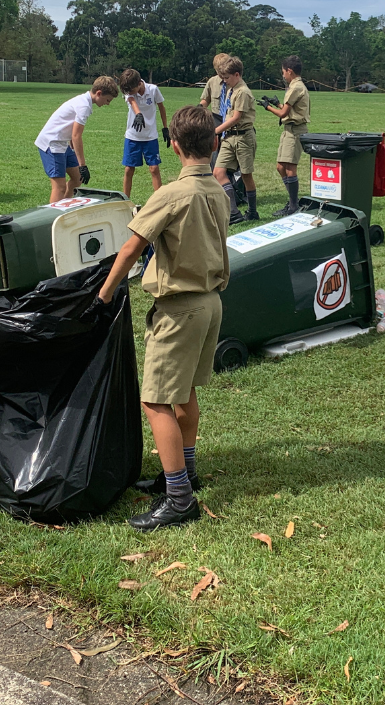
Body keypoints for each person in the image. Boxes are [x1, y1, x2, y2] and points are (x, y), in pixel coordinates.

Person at [90, 106, 230, 530]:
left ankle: (179, 498)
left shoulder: (170, 194)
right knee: (184, 393)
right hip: (210, 303)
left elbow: (131, 247)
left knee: (155, 400)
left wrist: (104, 294)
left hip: (180, 309)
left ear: (173, 145)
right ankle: (186, 472)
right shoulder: (219, 190)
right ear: (215, 143)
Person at [34, 76, 119, 202]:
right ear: (99, 93)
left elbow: (70, 126)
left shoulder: (84, 101)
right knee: (59, 187)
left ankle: (65, 206)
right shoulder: (84, 106)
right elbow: (76, 136)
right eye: (107, 100)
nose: (107, 103)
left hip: (62, 143)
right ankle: (55, 213)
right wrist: (83, 165)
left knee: (77, 178)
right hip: (52, 143)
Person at [212, 56, 259, 223]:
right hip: (229, 137)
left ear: (237, 74)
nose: (224, 81)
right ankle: (233, 212)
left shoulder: (243, 92)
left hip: (243, 137)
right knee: (218, 172)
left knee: (246, 175)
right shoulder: (231, 89)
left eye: (227, 77)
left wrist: (215, 131)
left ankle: (252, 211)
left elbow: (236, 117)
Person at [263, 55, 310, 217]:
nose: (283, 75)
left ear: (289, 71)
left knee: (290, 168)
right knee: (280, 167)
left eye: (283, 72)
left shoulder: (296, 87)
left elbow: (283, 113)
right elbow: (289, 109)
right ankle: (292, 202)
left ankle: (293, 205)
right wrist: (276, 103)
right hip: (288, 129)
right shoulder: (296, 86)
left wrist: (268, 107)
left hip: (295, 130)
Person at [119, 68, 168, 201]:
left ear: (139, 83)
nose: (129, 93)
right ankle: (125, 201)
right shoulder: (129, 91)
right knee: (129, 169)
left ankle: (159, 201)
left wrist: (165, 127)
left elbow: (161, 108)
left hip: (150, 136)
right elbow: (132, 102)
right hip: (132, 136)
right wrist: (139, 114)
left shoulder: (153, 89)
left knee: (154, 168)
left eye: (131, 90)